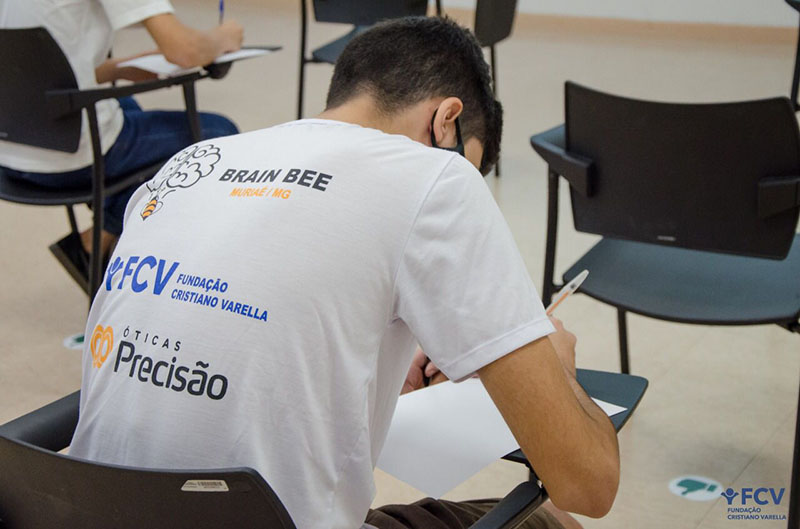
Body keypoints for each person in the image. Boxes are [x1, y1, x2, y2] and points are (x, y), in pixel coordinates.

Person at [69, 16, 619, 529]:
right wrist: (555, 366)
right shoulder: (437, 179)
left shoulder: (192, 162)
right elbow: (587, 485)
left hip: (85, 510)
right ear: (446, 121)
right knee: (555, 521)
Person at [0, 0, 243, 291]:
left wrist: (118, 69)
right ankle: (101, 236)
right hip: (71, 159)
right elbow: (185, 50)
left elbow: (36, 67)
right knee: (219, 134)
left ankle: (105, 236)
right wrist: (224, 37)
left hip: (11, 149)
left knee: (125, 107)